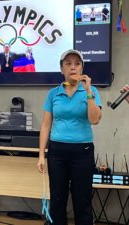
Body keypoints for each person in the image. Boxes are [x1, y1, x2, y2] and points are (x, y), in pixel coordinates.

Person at [37, 49, 102, 225]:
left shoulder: (92, 90)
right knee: (57, 199)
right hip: (57, 151)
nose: (73, 67)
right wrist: (41, 155)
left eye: (77, 63)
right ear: (62, 69)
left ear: (82, 67)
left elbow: (95, 119)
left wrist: (88, 91)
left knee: (83, 200)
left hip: (83, 151)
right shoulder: (53, 93)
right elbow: (45, 125)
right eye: (68, 63)